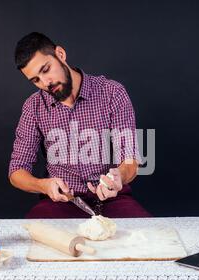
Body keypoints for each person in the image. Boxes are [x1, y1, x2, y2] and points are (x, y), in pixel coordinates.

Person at [8, 32, 152, 218]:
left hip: (111, 198)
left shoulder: (112, 92)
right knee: (34, 238)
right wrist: (43, 185)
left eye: (46, 69)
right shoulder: (33, 107)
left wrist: (119, 177)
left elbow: (130, 159)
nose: (45, 83)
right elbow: (17, 170)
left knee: (146, 238)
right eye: (35, 80)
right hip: (61, 202)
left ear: (60, 54)